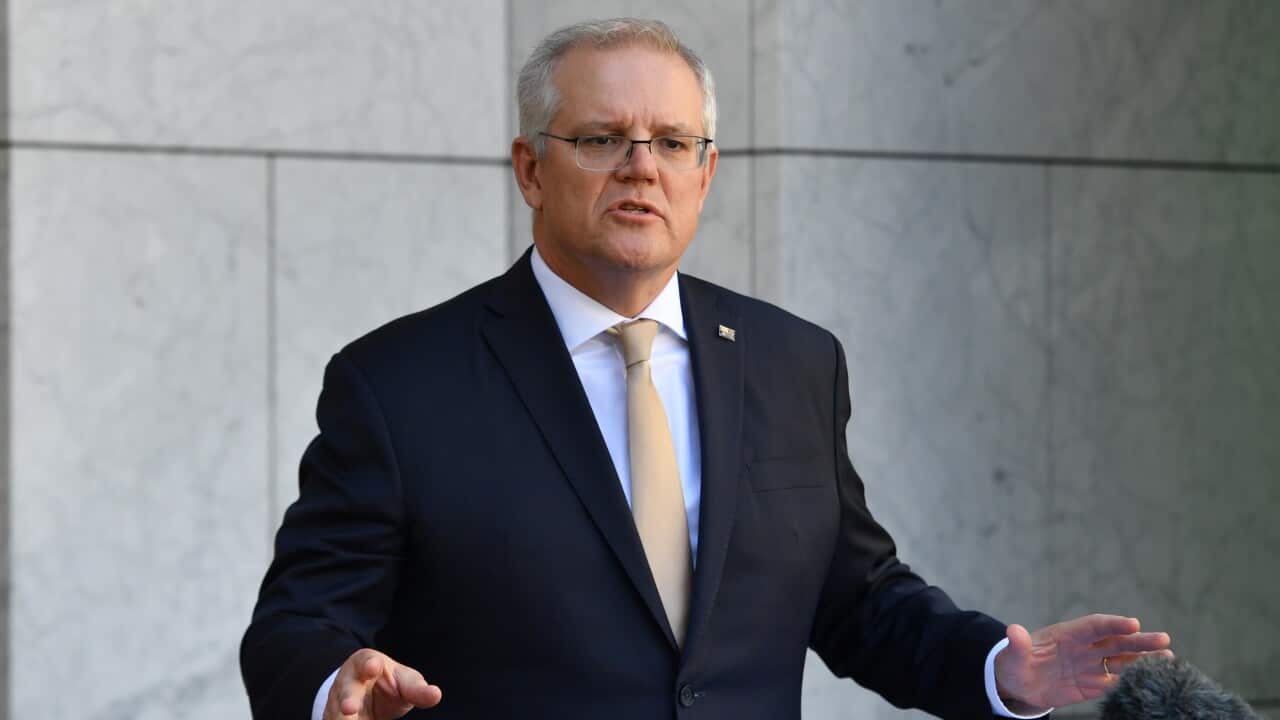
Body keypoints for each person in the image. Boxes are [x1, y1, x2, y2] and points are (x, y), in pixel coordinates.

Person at [241, 18, 1173, 720]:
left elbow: (856, 599)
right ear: (530, 168)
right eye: (602, 139)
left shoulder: (793, 361)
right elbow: (296, 624)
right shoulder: (401, 382)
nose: (641, 168)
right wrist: (333, 686)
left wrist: (996, 670)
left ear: (707, 172)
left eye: (673, 143)